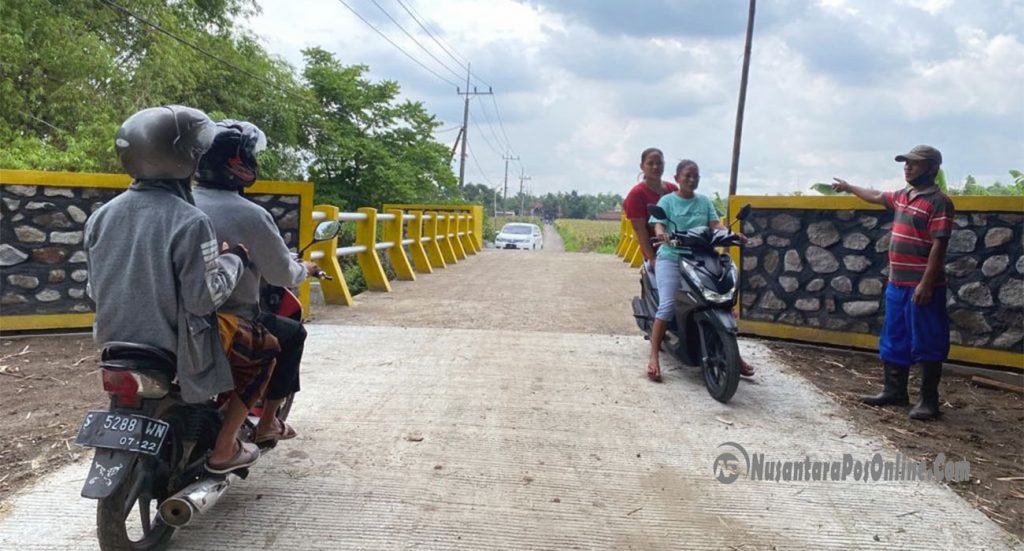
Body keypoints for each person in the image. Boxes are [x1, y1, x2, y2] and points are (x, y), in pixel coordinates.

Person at [85, 105, 261, 473]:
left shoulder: (102, 215)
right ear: (186, 158)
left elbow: (93, 290)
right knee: (265, 349)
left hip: (115, 342)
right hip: (177, 346)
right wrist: (235, 261)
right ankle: (225, 447)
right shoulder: (192, 220)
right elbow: (203, 299)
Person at [193, 120, 318, 444]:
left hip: (173, 313)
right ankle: (266, 425)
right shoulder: (251, 214)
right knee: (292, 335)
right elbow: (280, 274)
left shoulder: (180, 204)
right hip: (231, 317)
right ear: (240, 162)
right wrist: (303, 269)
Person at [832, 145, 953, 421]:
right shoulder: (903, 196)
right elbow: (875, 195)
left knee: (927, 339)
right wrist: (850, 187)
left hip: (922, 284)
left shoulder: (938, 202)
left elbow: (939, 245)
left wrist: (926, 283)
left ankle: (928, 400)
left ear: (932, 168)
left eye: (915, 163)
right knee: (895, 335)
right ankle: (894, 390)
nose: (907, 167)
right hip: (897, 282)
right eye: (906, 163)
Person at [646, 160, 754, 382]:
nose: (692, 180)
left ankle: (733, 355)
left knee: (722, 300)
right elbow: (659, 224)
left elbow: (715, 225)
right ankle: (654, 356)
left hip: (702, 256)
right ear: (677, 178)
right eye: (687, 176)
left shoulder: (704, 202)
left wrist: (732, 236)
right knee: (667, 305)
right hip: (672, 257)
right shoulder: (667, 201)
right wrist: (661, 233)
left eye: (695, 176)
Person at [622, 148, 677, 275]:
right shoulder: (636, 194)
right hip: (656, 251)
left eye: (659, 163)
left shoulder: (672, 189)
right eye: (650, 163)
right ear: (642, 166)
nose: (655, 167)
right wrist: (652, 259)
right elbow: (640, 231)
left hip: (677, 248)